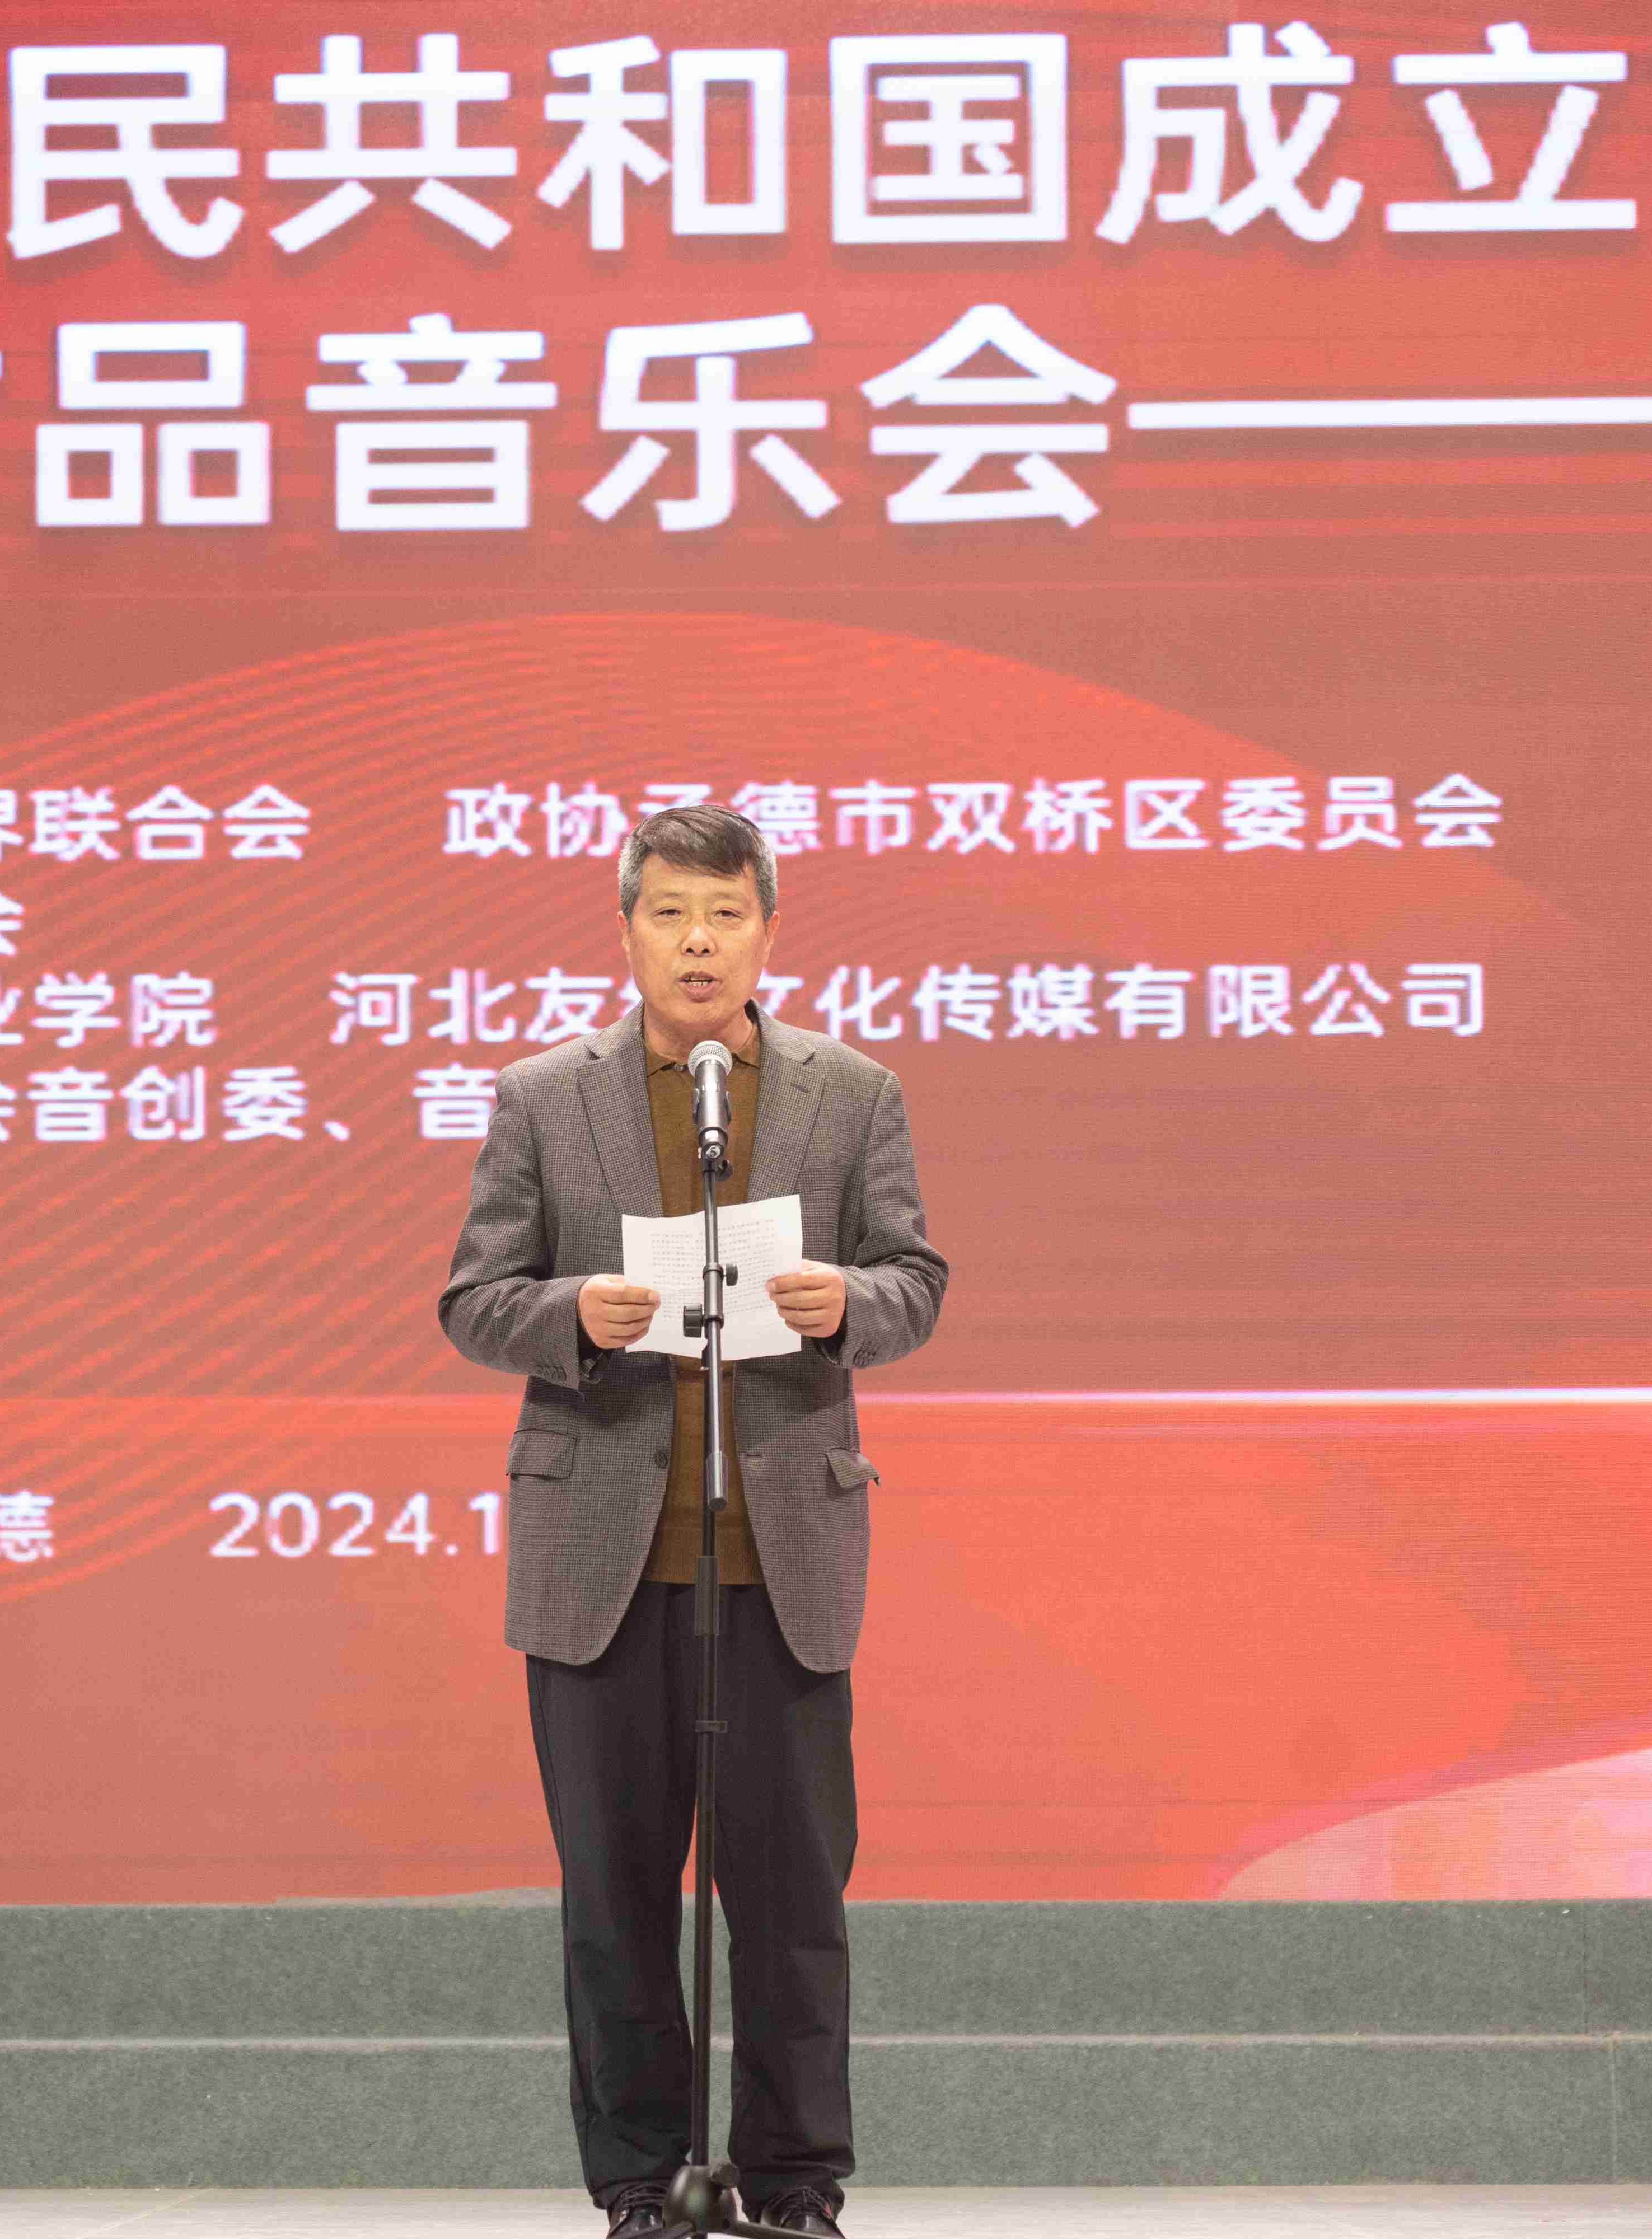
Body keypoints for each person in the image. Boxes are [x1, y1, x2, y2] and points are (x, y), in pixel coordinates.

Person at [439, 804, 948, 2239]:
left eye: (725, 913)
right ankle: (639, 2183)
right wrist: (572, 1315)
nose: (699, 941)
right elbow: (474, 1297)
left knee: (791, 1903)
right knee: (615, 1904)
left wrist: (848, 1303)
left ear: (769, 930)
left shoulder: (852, 1092)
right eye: (669, 913)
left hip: (778, 1559)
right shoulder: (547, 1096)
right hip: (603, 1563)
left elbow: (915, 1279)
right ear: (628, 932)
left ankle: (793, 2183)